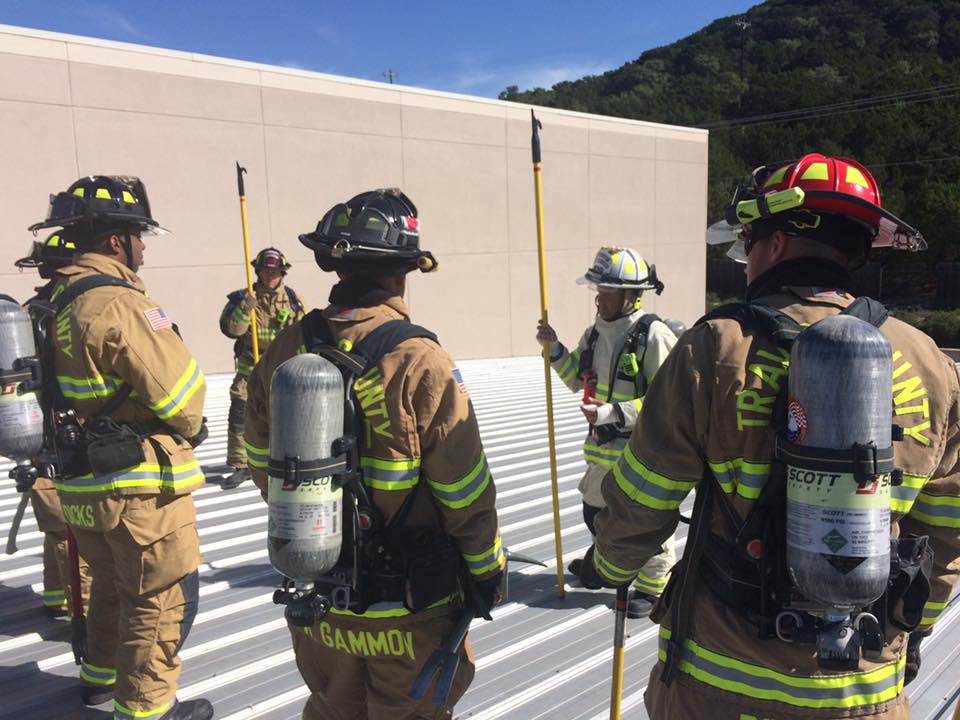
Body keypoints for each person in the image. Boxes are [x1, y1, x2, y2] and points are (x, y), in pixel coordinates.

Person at [583, 153, 960, 719]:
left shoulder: (714, 347)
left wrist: (608, 568)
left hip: (717, 681)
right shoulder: (927, 361)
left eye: (747, 241)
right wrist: (909, 633)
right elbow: (946, 533)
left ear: (776, 243)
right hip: (862, 686)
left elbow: (643, 497)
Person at [244, 188, 505, 720]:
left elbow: (259, 458)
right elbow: (463, 488)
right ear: (400, 273)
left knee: (332, 710)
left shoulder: (286, 347)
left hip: (321, 597)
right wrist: (486, 570)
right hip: (410, 610)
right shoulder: (420, 360)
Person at [29, 175, 213, 720]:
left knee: (108, 584)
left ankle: (98, 678)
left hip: (80, 482)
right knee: (158, 601)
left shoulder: (49, 302)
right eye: (138, 235)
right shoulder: (118, 303)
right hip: (136, 490)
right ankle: (148, 710)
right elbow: (184, 400)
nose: (143, 247)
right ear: (115, 242)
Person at [536, 247, 678, 617]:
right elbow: (576, 380)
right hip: (601, 454)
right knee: (595, 513)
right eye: (598, 289)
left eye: (607, 290)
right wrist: (554, 351)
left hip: (641, 455)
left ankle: (652, 587)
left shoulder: (654, 336)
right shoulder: (595, 335)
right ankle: (605, 565)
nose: (599, 297)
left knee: (645, 523)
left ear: (631, 295)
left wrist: (613, 413)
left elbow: (669, 400)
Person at [13, 233, 90, 617]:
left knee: (57, 523)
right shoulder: (65, 310)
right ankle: (86, 614)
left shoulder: (38, 309)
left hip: (46, 436)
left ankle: (55, 595)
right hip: (58, 435)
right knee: (68, 527)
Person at [219, 247, 304, 490]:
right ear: (257, 271)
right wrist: (246, 308)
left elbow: (302, 334)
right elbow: (231, 330)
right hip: (249, 369)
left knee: (285, 415)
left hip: (280, 370)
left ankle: (287, 458)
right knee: (241, 412)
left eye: (275, 271)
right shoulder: (242, 298)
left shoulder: (293, 300)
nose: (270, 276)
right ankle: (241, 464)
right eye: (266, 271)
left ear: (283, 273)